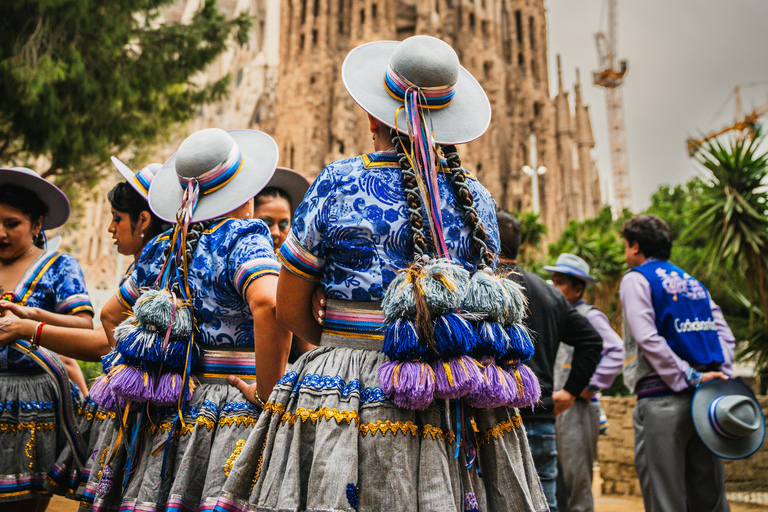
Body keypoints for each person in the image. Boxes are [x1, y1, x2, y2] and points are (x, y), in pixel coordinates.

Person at [217, 35, 547, 512]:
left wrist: (341, 340)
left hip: (345, 389)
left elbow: (288, 306)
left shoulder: (339, 182)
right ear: (447, 124)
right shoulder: (478, 201)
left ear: (374, 115)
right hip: (453, 388)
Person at [78, 128, 292, 511]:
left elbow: (111, 314)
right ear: (244, 196)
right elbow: (270, 305)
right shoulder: (241, 237)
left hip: (162, 406)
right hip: (227, 409)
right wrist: (268, 395)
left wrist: (148, 373)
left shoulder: (163, 246)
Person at [38, 159, 166, 500]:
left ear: (144, 220)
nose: (110, 228)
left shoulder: (151, 273)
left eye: (117, 218)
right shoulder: (143, 267)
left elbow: (105, 339)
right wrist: (32, 319)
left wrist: (31, 329)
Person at [619, 214, 734, 512]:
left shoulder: (636, 279)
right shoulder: (693, 283)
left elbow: (647, 338)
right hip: (707, 403)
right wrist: (720, 374)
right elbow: (725, 334)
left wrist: (691, 376)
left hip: (662, 401)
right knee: (710, 497)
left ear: (634, 247)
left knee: (665, 499)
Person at [0, 166, 96, 511]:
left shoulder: (59, 267)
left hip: (35, 402)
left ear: (37, 224)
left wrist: (30, 319)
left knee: (23, 502)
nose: (1, 233)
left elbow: (83, 326)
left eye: (12, 224)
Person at [496, 211, 602, 512]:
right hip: (541, 421)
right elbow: (592, 341)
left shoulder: (481, 286)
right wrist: (570, 391)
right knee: (547, 504)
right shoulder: (548, 293)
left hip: (494, 420)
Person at [543, 253, 623, 512]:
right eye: (552, 280)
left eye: (560, 282)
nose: (553, 287)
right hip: (557, 405)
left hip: (576, 407)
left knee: (576, 479)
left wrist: (588, 387)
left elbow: (616, 350)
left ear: (578, 289)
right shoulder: (557, 317)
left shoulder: (589, 316)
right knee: (558, 479)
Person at [251, 166, 315, 364]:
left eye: (284, 224)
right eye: (266, 222)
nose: (276, 232)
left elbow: (307, 347)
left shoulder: (296, 271)